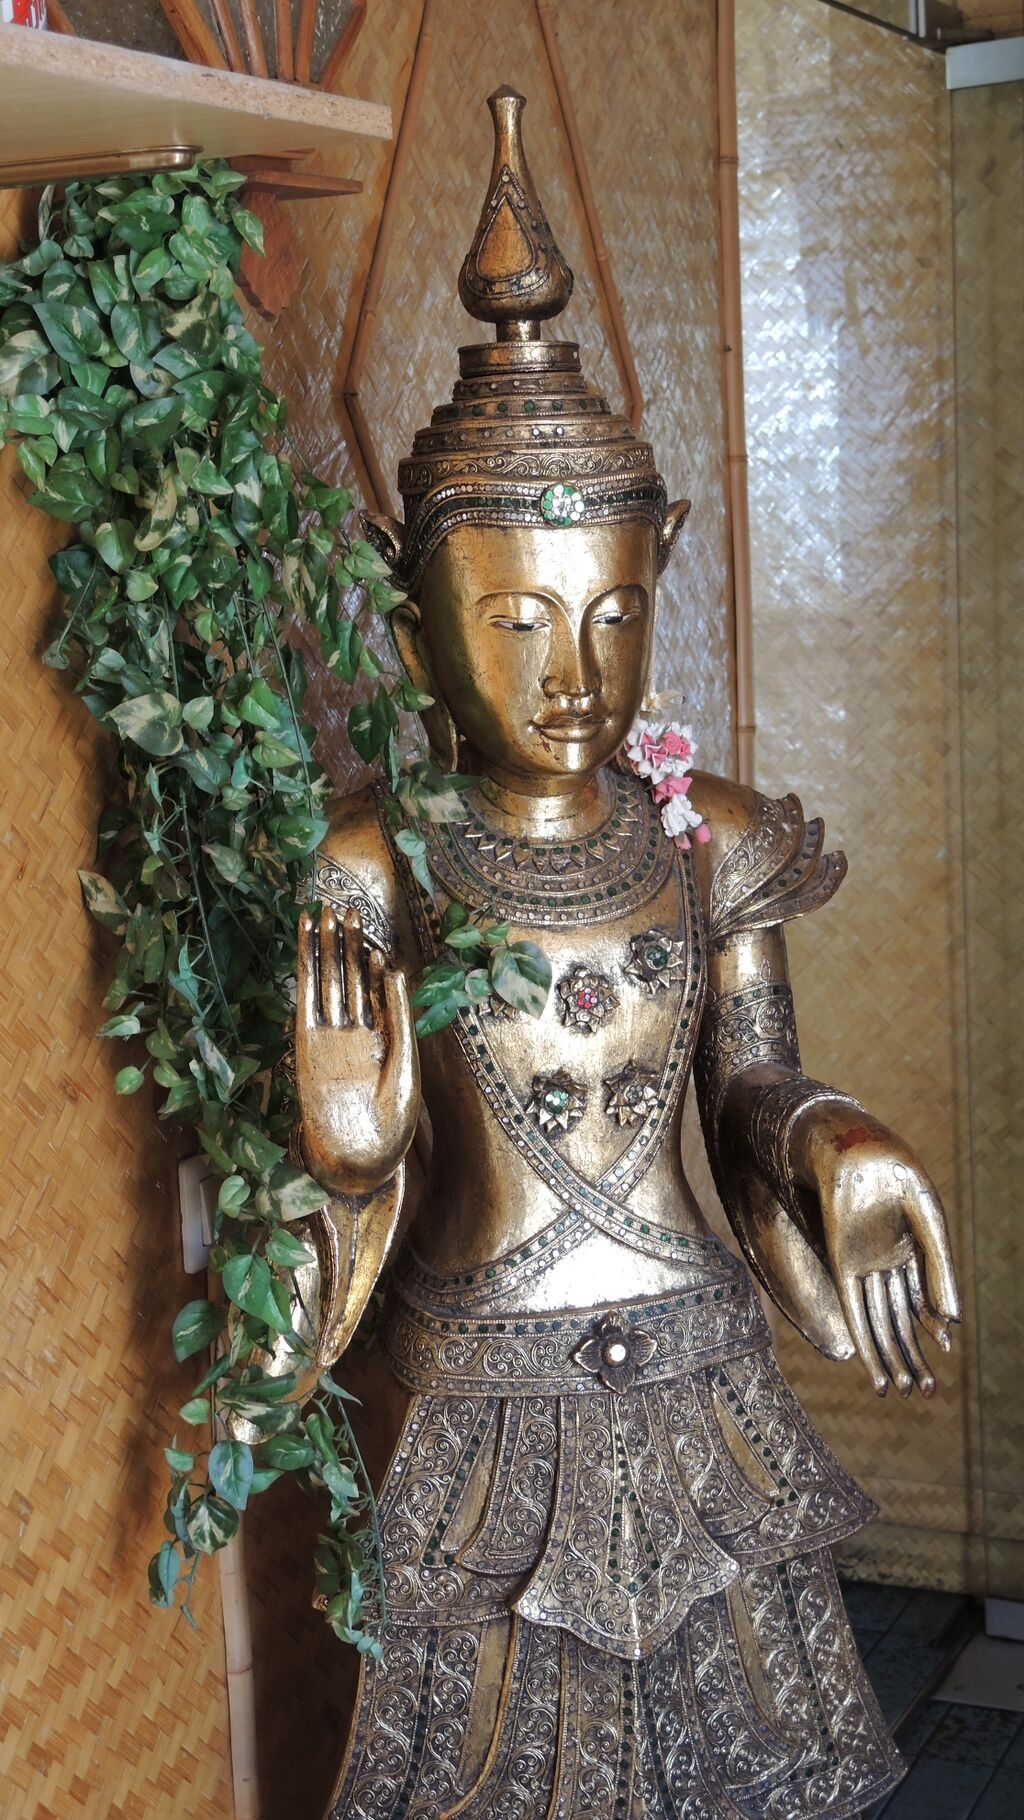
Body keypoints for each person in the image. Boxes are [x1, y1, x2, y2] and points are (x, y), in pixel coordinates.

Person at [294, 88, 960, 1819]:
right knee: (488, 1768)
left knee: (734, 1758)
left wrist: (833, 1138)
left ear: (660, 580)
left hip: (695, 1366)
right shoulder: (375, 859)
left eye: (614, 615)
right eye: (516, 620)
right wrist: (350, 1149)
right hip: (479, 1389)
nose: (575, 674)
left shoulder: (702, 830)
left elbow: (749, 1084)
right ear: (415, 617)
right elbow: (351, 1167)